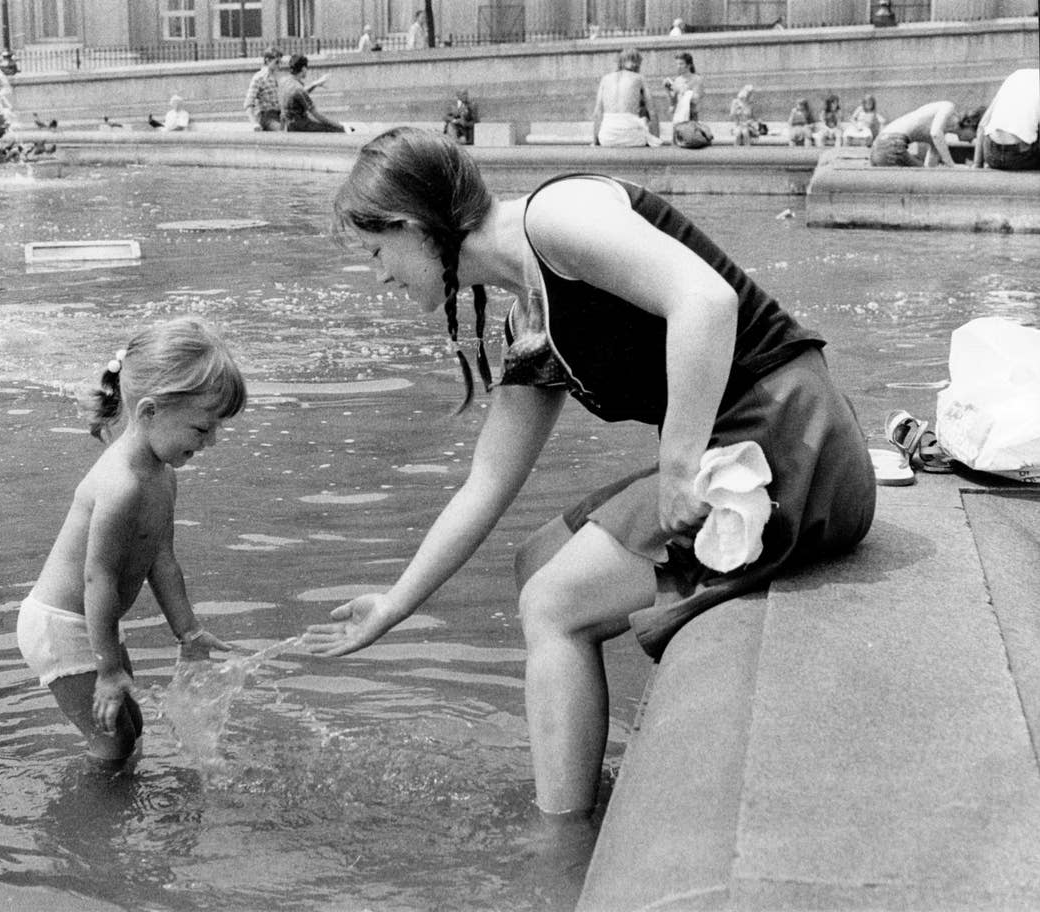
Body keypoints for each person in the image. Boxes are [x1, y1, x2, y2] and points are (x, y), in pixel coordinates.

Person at [304, 127, 875, 820]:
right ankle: (581, 770)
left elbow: (706, 301)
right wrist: (394, 604)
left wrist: (676, 467)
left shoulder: (556, 218)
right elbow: (485, 482)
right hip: (750, 448)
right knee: (535, 561)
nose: (380, 276)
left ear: (413, 225)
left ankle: (561, 839)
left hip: (791, 446)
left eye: (376, 252)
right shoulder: (530, 311)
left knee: (553, 604)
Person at [17, 318, 245, 767]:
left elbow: (162, 560)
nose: (212, 442)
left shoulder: (161, 476)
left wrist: (188, 632)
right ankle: (87, 828)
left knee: (130, 727)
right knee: (113, 741)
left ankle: (114, 811)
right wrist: (107, 669)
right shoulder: (121, 485)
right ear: (148, 412)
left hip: (93, 620)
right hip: (63, 623)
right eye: (202, 430)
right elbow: (97, 578)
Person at [591, 47, 660, 147]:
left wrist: (595, 141)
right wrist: (656, 140)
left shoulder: (605, 79)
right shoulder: (640, 78)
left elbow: (597, 113)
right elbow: (652, 111)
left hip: (607, 137)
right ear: (638, 64)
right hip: (631, 135)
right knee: (645, 120)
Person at [973, 68, 1040, 171]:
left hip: (991, 155)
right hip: (1021, 158)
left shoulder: (1016, 76)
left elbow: (983, 124)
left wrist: (977, 166)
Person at [870, 100, 960, 167]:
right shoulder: (948, 106)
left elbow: (930, 169)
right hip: (891, 144)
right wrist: (952, 166)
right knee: (921, 177)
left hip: (877, 145)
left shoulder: (934, 126)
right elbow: (935, 133)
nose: (972, 140)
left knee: (924, 178)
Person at [280, 55, 345, 133]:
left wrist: (315, 84)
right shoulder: (298, 89)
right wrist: (338, 125)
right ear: (303, 69)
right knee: (336, 129)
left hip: (288, 124)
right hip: (300, 125)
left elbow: (296, 95)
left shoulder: (283, 81)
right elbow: (317, 115)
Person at [243, 47, 284, 131]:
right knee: (281, 130)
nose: (279, 66)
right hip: (266, 116)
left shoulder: (277, 77)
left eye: (280, 62)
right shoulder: (259, 78)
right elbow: (248, 103)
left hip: (280, 114)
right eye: (276, 62)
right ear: (267, 60)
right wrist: (254, 123)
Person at [663, 51, 703, 122]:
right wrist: (667, 90)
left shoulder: (696, 79)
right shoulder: (677, 80)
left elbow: (696, 99)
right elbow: (673, 102)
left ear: (689, 65)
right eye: (677, 64)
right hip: (679, 115)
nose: (678, 66)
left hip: (691, 116)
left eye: (681, 64)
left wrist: (682, 90)